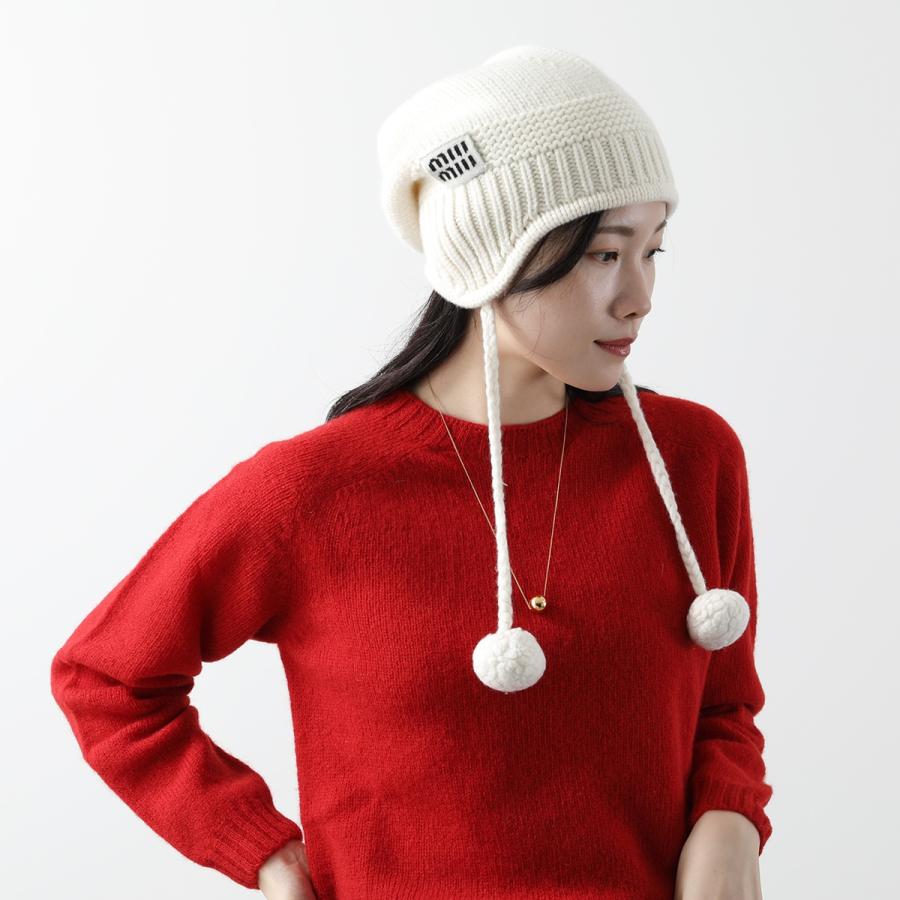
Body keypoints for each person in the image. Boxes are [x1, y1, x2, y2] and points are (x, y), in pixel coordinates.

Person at [50, 45, 774, 899]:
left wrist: (730, 820)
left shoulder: (691, 459)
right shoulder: (314, 492)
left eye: (654, 250)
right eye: (604, 255)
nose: (640, 296)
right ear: (491, 254)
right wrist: (264, 852)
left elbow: (723, 704)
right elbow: (106, 680)